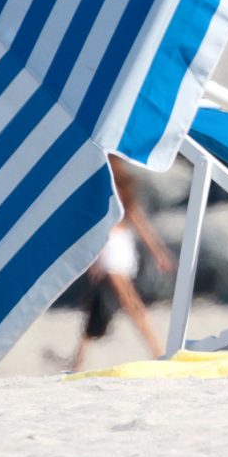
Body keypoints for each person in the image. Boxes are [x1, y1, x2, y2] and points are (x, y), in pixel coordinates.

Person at [70, 155, 176, 371]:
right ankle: (78, 361)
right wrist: (159, 253)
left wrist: (159, 253)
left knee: (124, 301)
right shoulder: (120, 190)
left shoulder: (100, 188)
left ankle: (156, 350)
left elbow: (95, 225)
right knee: (104, 304)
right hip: (120, 245)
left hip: (112, 245)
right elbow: (141, 224)